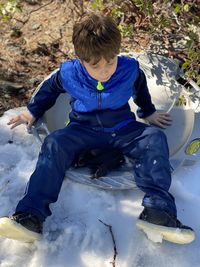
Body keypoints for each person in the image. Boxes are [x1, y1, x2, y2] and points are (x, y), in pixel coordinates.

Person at [0, 13, 194, 244]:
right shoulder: (69, 72)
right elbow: (49, 91)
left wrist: (148, 113)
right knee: (54, 143)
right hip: (83, 128)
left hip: (122, 127)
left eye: (111, 61)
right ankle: (30, 216)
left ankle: (158, 211)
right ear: (81, 59)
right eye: (96, 65)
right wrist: (32, 111)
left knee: (154, 138)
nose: (105, 70)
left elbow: (141, 89)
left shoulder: (129, 68)